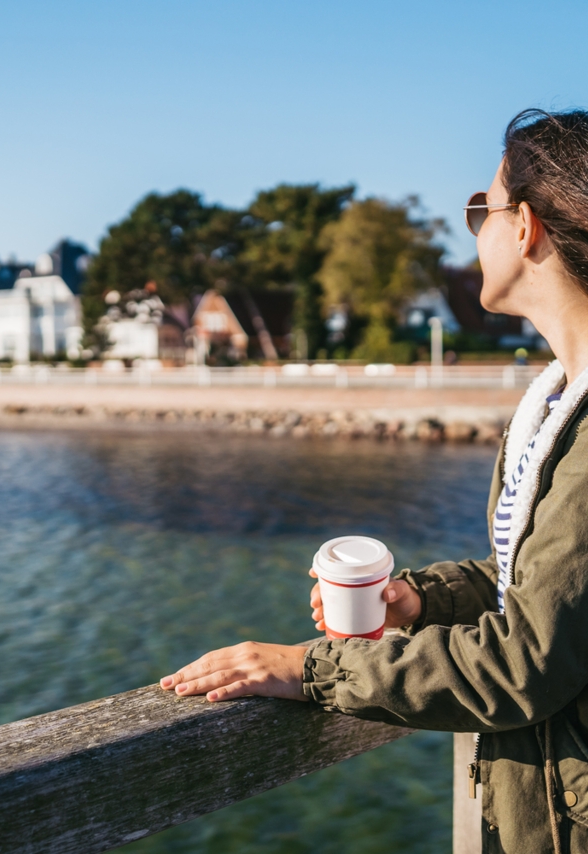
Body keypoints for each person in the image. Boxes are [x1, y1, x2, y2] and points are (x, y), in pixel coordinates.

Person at [160, 109, 588, 853]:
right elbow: (545, 583)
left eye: (477, 210)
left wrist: (312, 669)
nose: (474, 230)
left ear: (524, 228)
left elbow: (524, 661)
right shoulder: (558, 399)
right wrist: (422, 598)